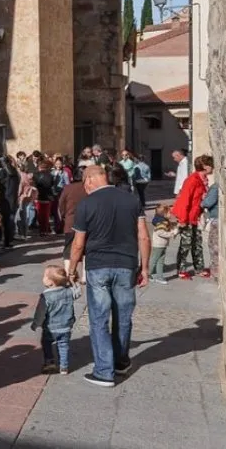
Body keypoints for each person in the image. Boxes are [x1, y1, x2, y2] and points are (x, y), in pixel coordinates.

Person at [68, 166, 151, 387]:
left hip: (98, 266)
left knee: (99, 319)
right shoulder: (131, 199)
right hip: (126, 264)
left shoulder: (86, 204)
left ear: (90, 180)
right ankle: (121, 362)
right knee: (123, 317)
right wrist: (145, 268)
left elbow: (78, 243)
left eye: (85, 183)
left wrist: (72, 269)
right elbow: (143, 236)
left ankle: (104, 371)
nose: (85, 188)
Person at [31, 265, 81, 375]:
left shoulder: (45, 296)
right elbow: (78, 292)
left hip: (50, 328)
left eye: (45, 276)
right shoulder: (69, 292)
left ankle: (50, 363)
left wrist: (36, 324)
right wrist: (75, 281)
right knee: (63, 345)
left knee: (47, 344)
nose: (42, 277)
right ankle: (64, 367)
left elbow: (40, 312)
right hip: (66, 327)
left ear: (50, 282)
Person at [172, 155, 213, 279]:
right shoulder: (192, 180)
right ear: (205, 166)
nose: (213, 168)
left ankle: (199, 268)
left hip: (195, 216)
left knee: (197, 243)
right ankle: (181, 270)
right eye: (211, 165)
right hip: (187, 217)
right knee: (186, 244)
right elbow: (185, 200)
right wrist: (183, 220)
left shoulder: (202, 179)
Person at [150, 204, 179, 285]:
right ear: (164, 213)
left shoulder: (163, 221)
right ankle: (148, 274)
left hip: (162, 244)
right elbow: (160, 232)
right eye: (169, 212)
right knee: (155, 260)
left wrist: (175, 225)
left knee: (160, 260)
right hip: (158, 244)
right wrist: (172, 234)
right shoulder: (161, 222)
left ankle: (159, 276)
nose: (171, 214)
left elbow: (168, 226)